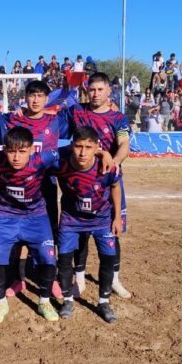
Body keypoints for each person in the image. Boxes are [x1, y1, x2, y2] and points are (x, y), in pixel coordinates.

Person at [0, 127, 61, 323]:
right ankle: (1, 303)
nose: (16, 157)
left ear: (32, 149)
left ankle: (44, 301)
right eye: (11, 151)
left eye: (22, 151)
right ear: (4, 150)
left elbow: (72, 151)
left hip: (36, 217)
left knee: (48, 258)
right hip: (4, 216)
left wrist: (102, 153)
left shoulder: (42, 159)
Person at [59, 72, 131, 299]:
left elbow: (124, 143)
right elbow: (49, 122)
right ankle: (78, 279)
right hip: (80, 182)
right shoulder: (75, 111)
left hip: (106, 181)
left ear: (109, 91)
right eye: (92, 89)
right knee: (80, 232)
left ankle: (114, 279)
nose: (96, 94)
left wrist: (115, 162)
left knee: (112, 229)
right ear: (86, 91)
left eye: (100, 89)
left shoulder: (118, 117)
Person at [0, 80, 68, 298]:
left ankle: (51, 277)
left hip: (45, 185)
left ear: (47, 99)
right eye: (31, 95)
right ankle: (19, 280)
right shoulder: (12, 119)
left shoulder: (55, 121)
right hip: (18, 187)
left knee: (50, 232)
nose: (35, 100)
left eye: (40, 96)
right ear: (25, 97)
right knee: (19, 235)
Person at [53, 126, 122, 322]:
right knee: (64, 260)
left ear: (96, 147)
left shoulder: (107, 166)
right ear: (71, 146)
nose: (83, 152)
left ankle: (104, 302)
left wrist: (117, 217)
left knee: (108, 259)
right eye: (78, 146)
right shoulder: (60, 164)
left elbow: (116, 187)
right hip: (71, 220)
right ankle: (67, 300)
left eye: (88, 147)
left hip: (102, 221)